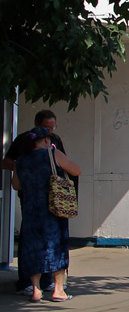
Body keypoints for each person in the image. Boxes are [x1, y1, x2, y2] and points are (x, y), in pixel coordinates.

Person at [3, 110, 71, 295]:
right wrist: (24, 168)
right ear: (36, 124)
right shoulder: (24, 141)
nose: (49, 132)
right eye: (46, 128)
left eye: (52, 127)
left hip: (53, 198)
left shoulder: (55, 141)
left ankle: (44, 283)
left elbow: (65, 165)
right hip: (33, 198)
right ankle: (31, 283)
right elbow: (7, 162)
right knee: (37, 239)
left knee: (47, 240)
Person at [11, 126, 81, 302]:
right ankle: (58, 290)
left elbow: (16, 185)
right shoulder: (52, 153)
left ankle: (36, 290)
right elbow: (76, 170)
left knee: (33, 248)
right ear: (46, 140)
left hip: (31, 211)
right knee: (57, 246)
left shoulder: (20, 160)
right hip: (54, 209)